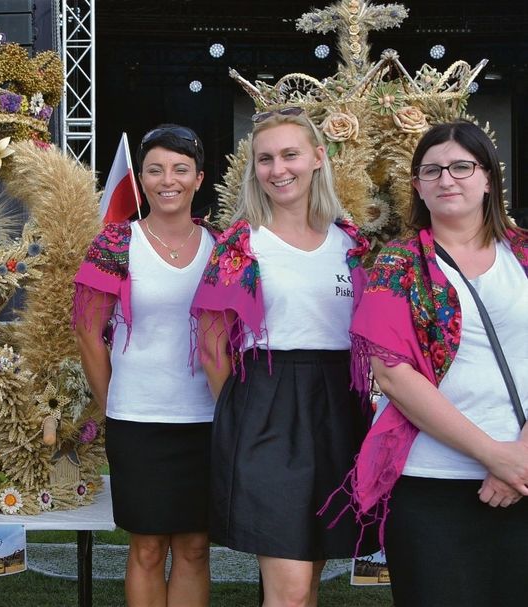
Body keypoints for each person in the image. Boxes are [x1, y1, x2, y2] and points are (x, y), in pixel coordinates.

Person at [192, 107, 373, 607]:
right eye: (265, 159)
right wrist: (244, 416)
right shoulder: (241, 245)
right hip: (266, 405)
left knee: (311, 576)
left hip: (339, 406)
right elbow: (211, 346)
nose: (278, 169)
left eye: (290, 154)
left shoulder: (352, 245)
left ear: (318, 157)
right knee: (290, 588)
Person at [346, 120, 528, 606]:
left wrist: (521, 456)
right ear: (418, 187)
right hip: (433, 483)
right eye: (433, 170)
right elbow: (392, 374)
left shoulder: (525, 254)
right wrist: (496, 456)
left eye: (462, 167)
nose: (447, 179)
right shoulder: (397, 265)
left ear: (489, 177)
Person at [74, 124, 216, 606]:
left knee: (196, 549)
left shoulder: (225, 248)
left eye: (180, 169)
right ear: (142, 179)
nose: (167, 179)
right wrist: (114, 402)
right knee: (149, 547)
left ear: (199, 178)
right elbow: (88, 336)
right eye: (155, 169)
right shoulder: (114, 243)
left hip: (207, 421)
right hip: (137, 422)